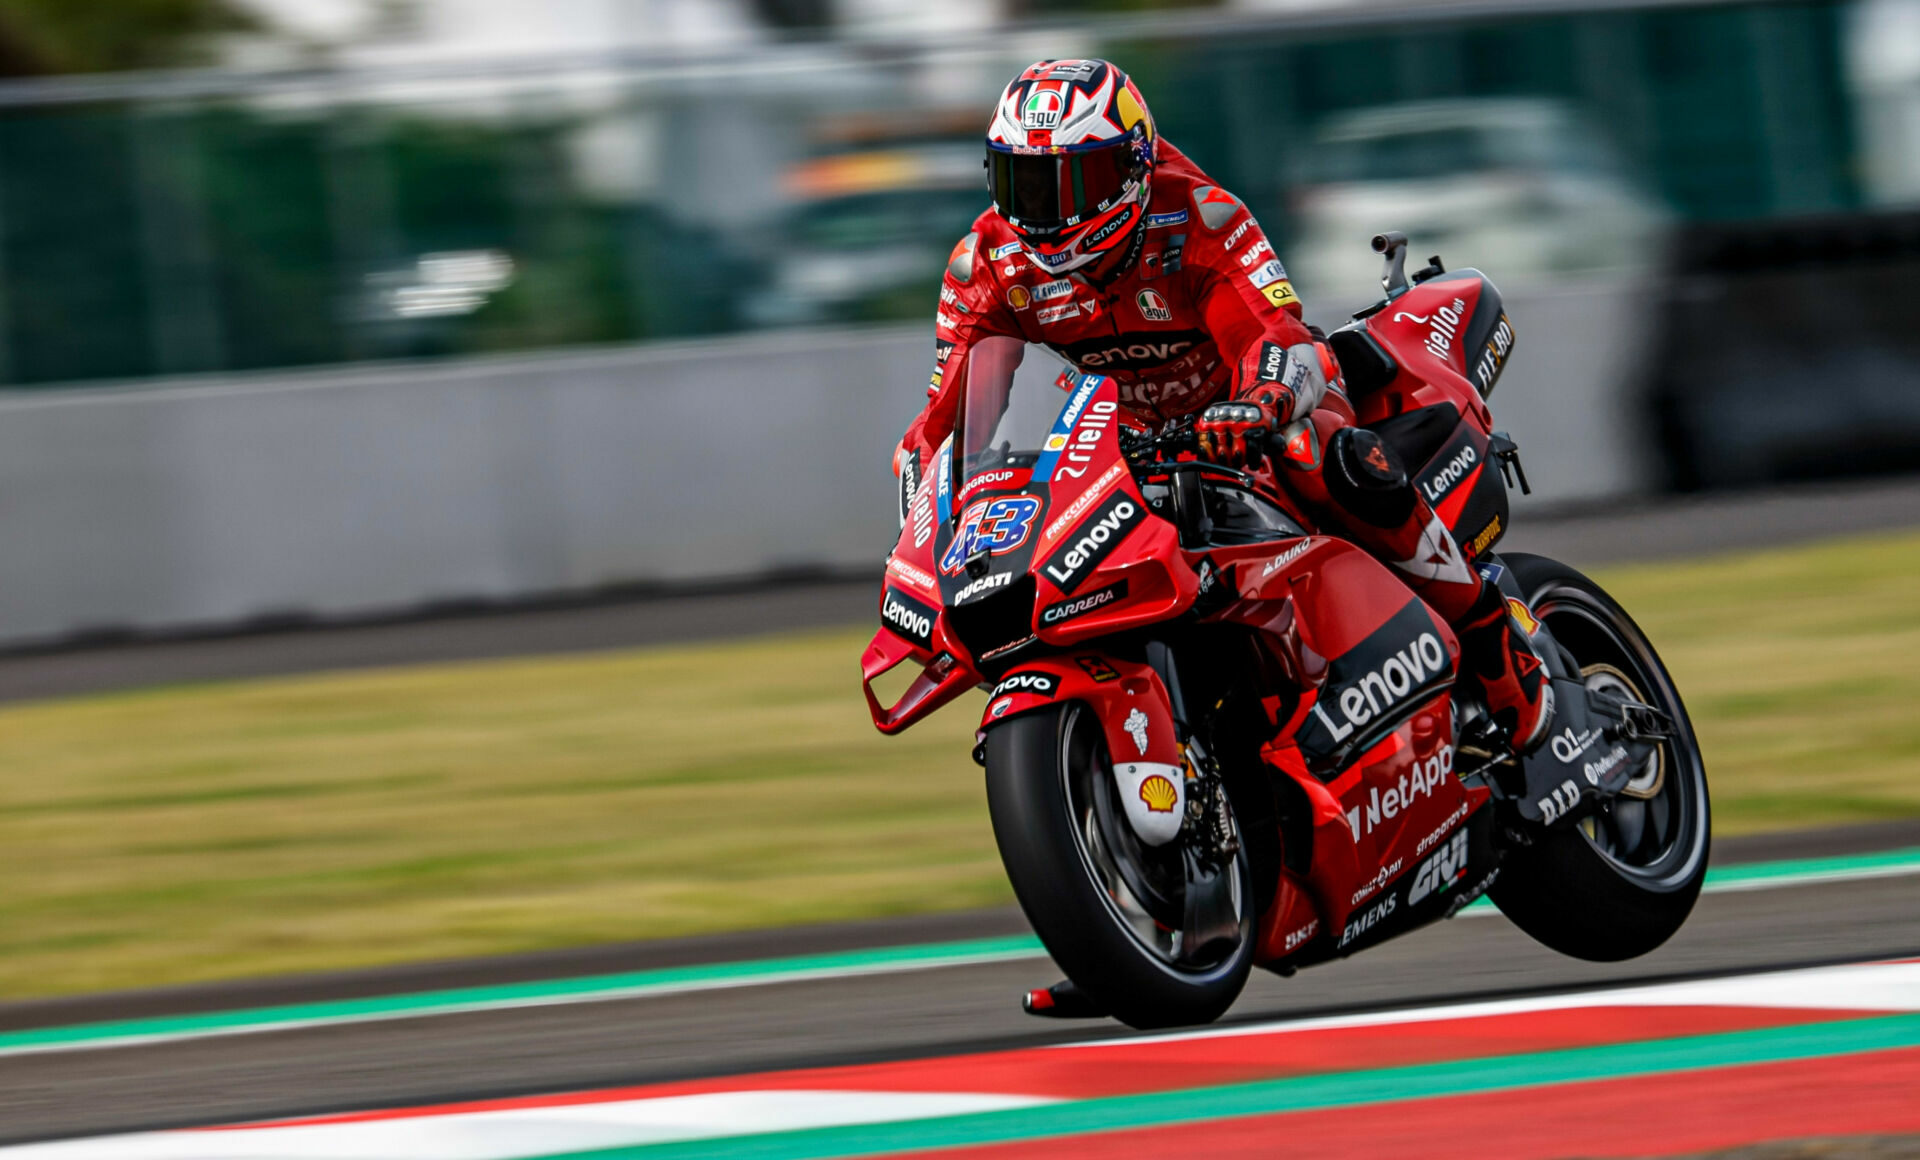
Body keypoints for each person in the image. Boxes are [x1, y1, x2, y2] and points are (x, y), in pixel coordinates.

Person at [894, 58, 1550, 756]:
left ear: (1132, 168)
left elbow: (1275, 334)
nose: (1044, 209)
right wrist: (925, 516)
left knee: (1316, 451)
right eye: (1021, 182)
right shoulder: (987, 262)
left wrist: (1258, 403)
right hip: (1131, 447)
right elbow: (947, 421)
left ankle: (1490, 641)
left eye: (1071, 181)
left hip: (1258, 407)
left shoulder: (1197, 216)